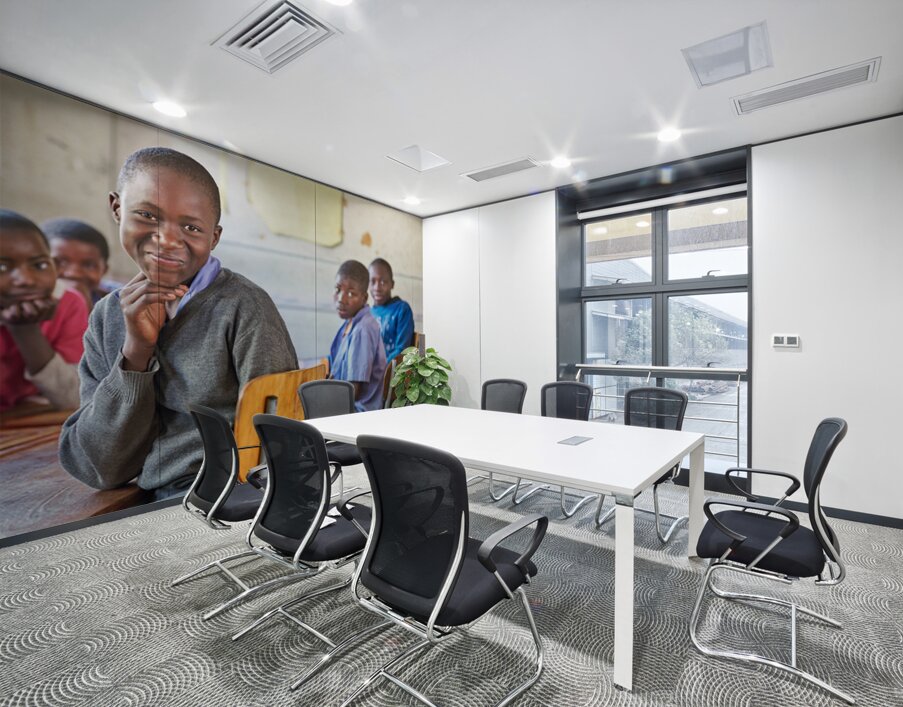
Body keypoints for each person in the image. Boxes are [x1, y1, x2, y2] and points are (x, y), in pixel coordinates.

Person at [59, 147, 298, 499]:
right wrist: (135, 353)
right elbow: (98, 466)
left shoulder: (243, 306)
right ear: (117, 208)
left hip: (224, 496)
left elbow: (280, 435)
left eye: (191, 227)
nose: (168, 240)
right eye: (147, 215)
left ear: (213, 237)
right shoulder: (107, 318)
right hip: (142, 497)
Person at [0, 209, 88, 412]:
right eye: (2, 268)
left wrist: (26, 332)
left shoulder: (68, 303)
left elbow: (75, 398)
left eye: (39, 265)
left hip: (25, 415)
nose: (26, 280)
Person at [329, 259, 386, 411]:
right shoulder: (349, 324)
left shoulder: (363, 329)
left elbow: (352, 391)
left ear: (364, 298)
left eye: (351, 293)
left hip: (357, 414)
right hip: (345, 406)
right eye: (338, 289)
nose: (341, 299)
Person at [43, 218, 122, 310]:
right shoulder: (27, 299)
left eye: (89, 265)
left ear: (104, 270)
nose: (74, 274)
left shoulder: (120, 300)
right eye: (59, 262)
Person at [368, 257, 414, 361]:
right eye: (373, 282)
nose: (377, 288)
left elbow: (402, 350)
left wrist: (378, 370)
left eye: (383, 282)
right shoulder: (368, 313)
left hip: (389, 374)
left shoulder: (402, 309)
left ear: (392, 284)